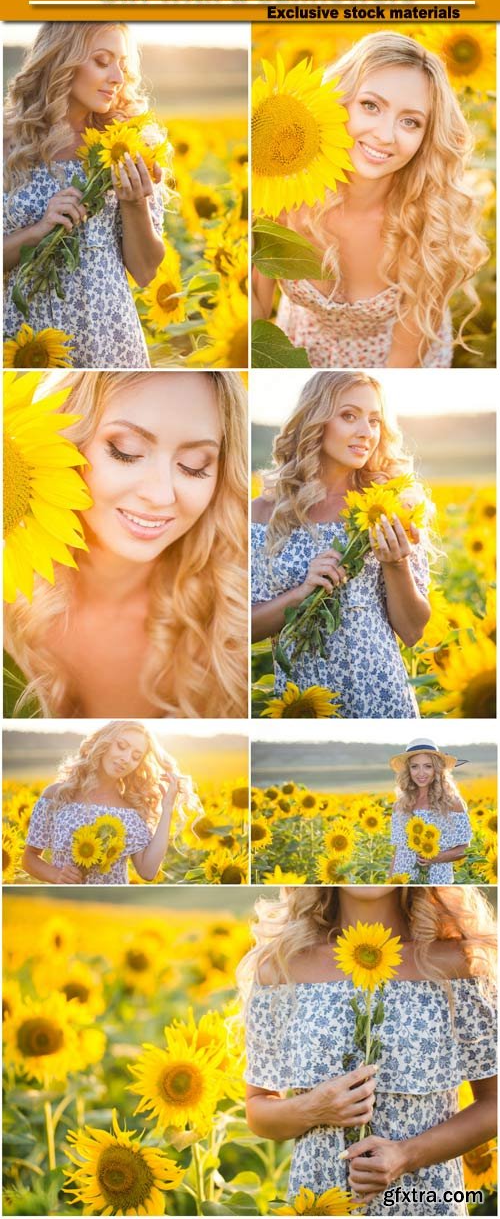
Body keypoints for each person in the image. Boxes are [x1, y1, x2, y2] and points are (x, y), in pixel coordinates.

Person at [239, 883, 497, 1214]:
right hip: (320, 1201)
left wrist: (406, 1155)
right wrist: (313, 1108)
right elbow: (258, 1110)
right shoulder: (281, 968)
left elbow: (494, 1103)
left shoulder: (456, 965)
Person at [5, 369, 248, 719]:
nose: (161, 495)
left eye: (193, 466)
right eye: (125, 452)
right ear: (64, 439)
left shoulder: (231, 621)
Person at [252, 34, 488, 368]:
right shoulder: (284, 194)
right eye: (371, 106)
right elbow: (255, 310)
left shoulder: (430, 223)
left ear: (426, 136)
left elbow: (403, 361)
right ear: (338, 101)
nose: (385, 135)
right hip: (298, 348)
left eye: (410, 121)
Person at [252, 371, 431, 718]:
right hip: (304, 702)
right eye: (349, 416)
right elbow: (243, 630)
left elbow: (412, 631)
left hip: (382, 696)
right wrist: (302, 593)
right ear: (316, 420)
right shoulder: (263, 516)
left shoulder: (391, 505)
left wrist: (396, 564)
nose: (366, 432)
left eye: (375, 420)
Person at [3, 23, 167, 368]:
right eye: (102, 61)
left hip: (110, 337)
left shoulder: (127, 141)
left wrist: (135, 203)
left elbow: (145, 271)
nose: (117, 77)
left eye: (122, 63)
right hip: (27, 338)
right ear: (61, 60)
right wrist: (39, 231)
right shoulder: (9, 143)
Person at [22, 719, 198, 885]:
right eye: (121, 746)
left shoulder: (130, 812)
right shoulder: (57, 795)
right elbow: (29, 858)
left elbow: (148, 871)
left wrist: (167, 808)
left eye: (136, 757)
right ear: (104, 743)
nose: (126, 758)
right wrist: (56, 875)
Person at [389, 738, 473, 885]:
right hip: (402, 879)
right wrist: (390, 881)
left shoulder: (452, 803)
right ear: (408, 770)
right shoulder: (400, 805)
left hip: (437, 880)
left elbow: (465, 849)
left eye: (428, 766)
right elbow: (398, 851)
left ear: (437, 769)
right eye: (414, 766)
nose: (421, 773)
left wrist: (437, 857)